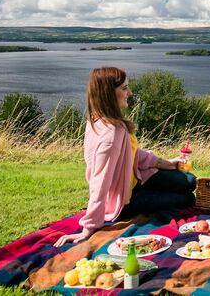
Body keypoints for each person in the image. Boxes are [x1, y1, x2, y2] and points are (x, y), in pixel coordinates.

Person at [55, 67, 195, 247]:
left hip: (136, 179)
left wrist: (166, 163)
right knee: (187, 199)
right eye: (124, 88)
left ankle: (151, 191)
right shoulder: (110, 134)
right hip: (124, 200)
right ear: (108, 94)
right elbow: (100, 180)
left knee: (190, 181)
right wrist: (88, 228)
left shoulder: (107, 121)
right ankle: (142, 200)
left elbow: (133, 154)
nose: (129, 92)